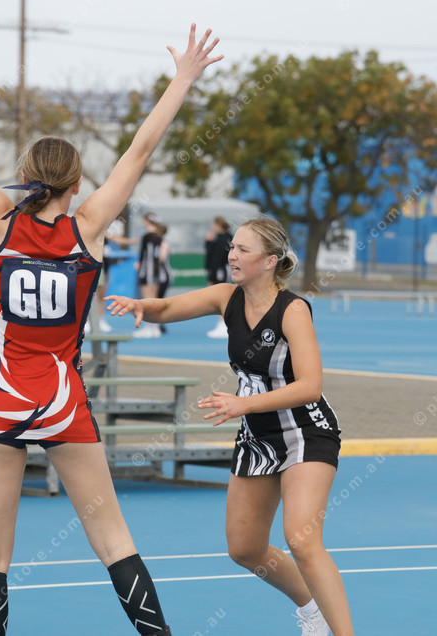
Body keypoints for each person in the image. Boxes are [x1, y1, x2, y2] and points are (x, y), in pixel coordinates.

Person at [0, 14, 222, 635]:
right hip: (61, 398)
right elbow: (140, 150)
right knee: (114, 540)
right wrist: (183, 78)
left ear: (25, 177)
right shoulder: (89, 227)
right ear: (77, 184)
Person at [106, 217, 354, 636]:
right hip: (258, 436)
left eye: (243, 250)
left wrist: (244, 403)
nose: (232, 255)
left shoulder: (292, 310)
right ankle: (312, 608)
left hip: (305, 431)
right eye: (232, 247)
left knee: (301, 539)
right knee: (244, 548)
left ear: (270, 261)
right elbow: (168, 308)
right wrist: (141, 306)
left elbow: (311, 386)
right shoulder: (227, 297)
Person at [133, 213, 171, 338]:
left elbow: (143, 254)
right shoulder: (159, 236)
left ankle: (148, 327)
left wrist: (140, 264)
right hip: (156, 271)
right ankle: (155, 327)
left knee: (146, 300)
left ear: (146, 221)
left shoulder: (147, 236)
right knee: (154, 300)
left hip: (147, 270)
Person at [204, 215, 232, 339]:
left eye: (214, 225)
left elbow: (218, 258)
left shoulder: (224, 239)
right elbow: (211, 253)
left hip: (220, 271)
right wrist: (208, 242)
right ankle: (222, 324)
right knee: (219, 297)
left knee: (220, 297)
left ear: (219, 225)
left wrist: (212, 276)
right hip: (219, 270)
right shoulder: (221, 238)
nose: (213, 227)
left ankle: (223, 324)